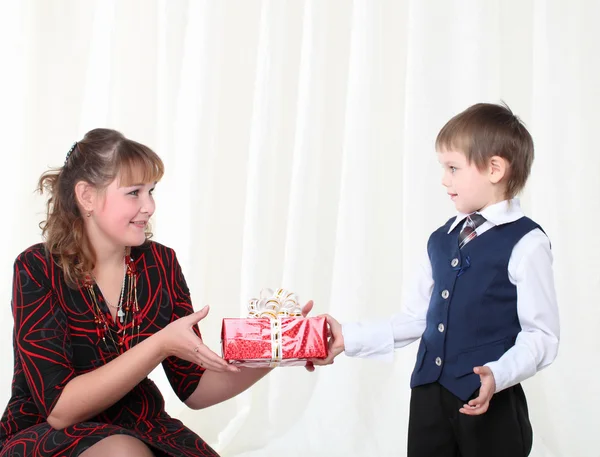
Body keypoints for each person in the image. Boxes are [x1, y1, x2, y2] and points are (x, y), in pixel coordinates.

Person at [0, 129, 313, 457]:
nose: (149, 206)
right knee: (123, 453)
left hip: (141, 424)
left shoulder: (160, 263)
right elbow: (61, 410)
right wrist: (160, 344)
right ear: (87, 196)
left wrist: (282, 345)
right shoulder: (37, 268)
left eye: (151, 191)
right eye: (134, 193)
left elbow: (196, 388)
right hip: (49, 435)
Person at [315, 103, 560, 457]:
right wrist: (349, 338)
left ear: (494, 168)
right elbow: (417, 318)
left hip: (489, 402)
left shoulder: (527, 243)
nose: (444, 179)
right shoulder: (441, 238)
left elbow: (542, 335)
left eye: (453, 168)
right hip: (430, 397)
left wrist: (498, 373)